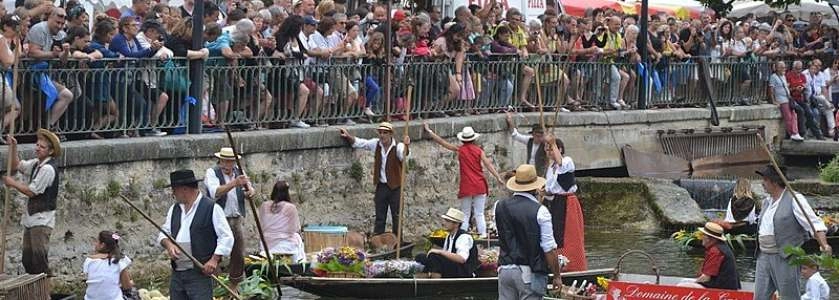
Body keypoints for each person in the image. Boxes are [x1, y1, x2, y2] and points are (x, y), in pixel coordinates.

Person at [754, 164, 831, 300]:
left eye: (765, 179)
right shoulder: (766, 202)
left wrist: (824, 244)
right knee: (760, 296)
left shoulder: (795, 199)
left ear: (774, 182)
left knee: (789, 296)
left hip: (785, 256)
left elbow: (814, 223)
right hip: (764, 255)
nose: (762, 183)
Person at [158, 169, 234, 300]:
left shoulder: (211, 208)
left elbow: (226, 237)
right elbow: (163, 233)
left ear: (184, 190)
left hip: (200, 273)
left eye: (174, 191)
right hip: (178, 273)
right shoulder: (174, 209)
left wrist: (214, 260)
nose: (173, 195)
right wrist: (169, 245)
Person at [423, 123, 504, 238]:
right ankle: (483, 235)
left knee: (465, 214)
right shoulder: (479, 151)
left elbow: (443, 143)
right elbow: (488, 165)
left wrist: (429, 131)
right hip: (479, 184)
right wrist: (498, 177)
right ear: (474, 139)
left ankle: (462, 236)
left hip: (466, 185)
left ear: (463, 140)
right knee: (479, 213)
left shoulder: (461, 150)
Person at [495, 164, 563, 300]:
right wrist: (557, 275)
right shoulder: (540, 211)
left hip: (505, 270)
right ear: (536, 187)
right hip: (528, 272)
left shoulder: (499, 206)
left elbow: (503, 235)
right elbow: (549, 248)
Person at [2, 129, 61, 276]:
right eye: (37, 145)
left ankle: (44, 294)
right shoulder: (36, 164)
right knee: (28, 260)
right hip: (31, 219)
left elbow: (31, 191)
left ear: (50, 151)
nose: (37, 149)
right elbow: (17, 165)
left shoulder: (48, 169)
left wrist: (12, 183)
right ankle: (35, 292)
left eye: (42, 147)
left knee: (39, 260)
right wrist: (13, 147)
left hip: (42, 220)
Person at [338, 122, 410, 236]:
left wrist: (407, 146)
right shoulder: (376, 144)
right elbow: (360, 143)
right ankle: (378, 240)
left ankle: (398, 242)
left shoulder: (398, 146)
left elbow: (403, 155)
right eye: (380, 133)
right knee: (380, 216)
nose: (382, 135)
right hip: (381, 186)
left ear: (390, 134)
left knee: (397, 216)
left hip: (395, 187)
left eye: (385, 133)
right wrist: (348, 136)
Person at [203, 147, 254, 291]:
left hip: (235, 217)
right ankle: (214, 284)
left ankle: (234, 285)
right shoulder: (212, 173)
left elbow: (249, 188)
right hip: (217, 218)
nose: (227, 165)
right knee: (215, 251)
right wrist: (234, 183)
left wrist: (249, 192)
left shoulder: (239, 172)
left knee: (238, 251)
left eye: (230, 162)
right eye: (224, 162)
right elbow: (215, 193)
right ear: (220, 161)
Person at [544, 134, 587, 272]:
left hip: (568, 202)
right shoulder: (551, 168)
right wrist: (543, 192)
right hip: (556, 202)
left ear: (559, 149)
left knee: (569, 235)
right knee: (556, 233)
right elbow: (550, 189)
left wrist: (553, 143)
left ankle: (574, 265)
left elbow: (561, 163)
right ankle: (558, 265)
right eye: (547, 149)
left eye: (550, 149)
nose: (548, 152)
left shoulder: (567, 161)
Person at [415, 208, 479, 278]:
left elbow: (461, 259)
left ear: (456, 224)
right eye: (445, 220)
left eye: (448, 221)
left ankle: (436, 283)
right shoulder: (449, 236)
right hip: (453, 266)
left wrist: (440, 252)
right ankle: (423, 278)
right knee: (421, 257)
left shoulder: (463, 237)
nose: (444, 223)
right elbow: (446, 254)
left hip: (464, 271)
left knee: (434, 256)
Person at [678, 222, 741, 290]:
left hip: (722, 289)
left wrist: (695, 283)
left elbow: (706, 277)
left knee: (681, 286)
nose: (701, 237)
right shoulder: (720, 246)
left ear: (708, 238)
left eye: (703, 235)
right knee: (684, 280)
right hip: (723, 285)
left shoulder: (715, 251)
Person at [259, 180, 306, 263]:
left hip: (266, 242)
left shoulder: (264, 205)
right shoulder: (290, 207)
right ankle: (297, 264)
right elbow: (295, 228)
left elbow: (261, 226)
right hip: (284, 243)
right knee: (298, 238)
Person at [83, 230, 135, 300]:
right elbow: (127, 287)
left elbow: (96, 281)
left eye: (97, 242)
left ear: (102, 245)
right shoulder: (119, 261)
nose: (95, 244)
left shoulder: (89, 260)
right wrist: (130, 283)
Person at [506, 112, 547, 177]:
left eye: (541, 136)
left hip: (540, 174)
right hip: (529, 172)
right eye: (537, 136)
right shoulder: (529, 140)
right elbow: (515, 135)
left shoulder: (545, 144)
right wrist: (510, 121)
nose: (539, 138)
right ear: (533, 135)